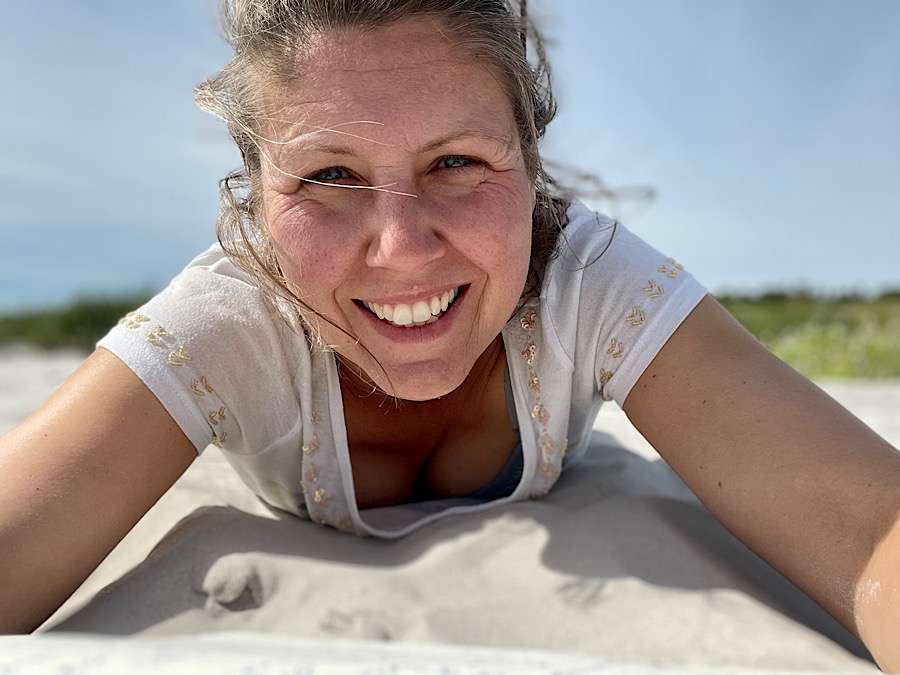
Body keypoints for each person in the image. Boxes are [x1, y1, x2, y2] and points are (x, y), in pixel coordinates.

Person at [1, 1, 898, 669]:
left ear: (531, 161)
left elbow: (873, 530)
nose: (402, 250)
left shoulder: (586, 280)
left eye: (456, 162)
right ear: (258, 194)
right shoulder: (227, 324)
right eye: (329, 174)